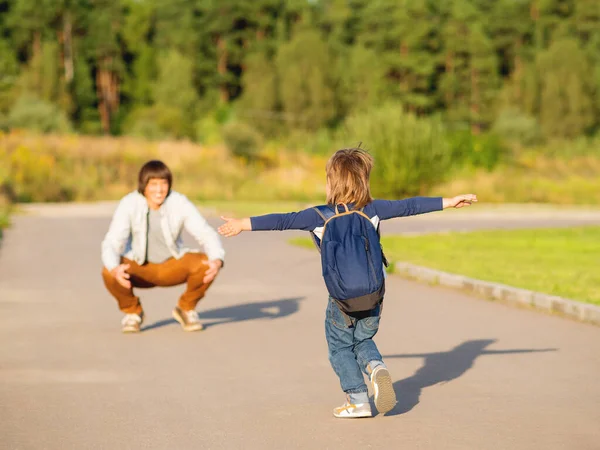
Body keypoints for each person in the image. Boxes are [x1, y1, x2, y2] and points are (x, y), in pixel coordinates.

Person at [218, 148, 477, 418]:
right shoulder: (373, 210)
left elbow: (282, 220)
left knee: (340, 345)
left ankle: (357, 399)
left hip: (341, 299)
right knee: (363, 338)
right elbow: (409, 206)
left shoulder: (319, 216)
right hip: (374, 291)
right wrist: (449, 201)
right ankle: (376, 367)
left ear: (332, 182)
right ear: (363, 181)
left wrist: (241, 224)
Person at [101, 160, 225, 333]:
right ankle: (133, 313)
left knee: (207, 263)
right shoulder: (129, 203)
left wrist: (217, 259)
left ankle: (186, 309)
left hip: (171, 266)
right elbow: (113, 241)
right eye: (153, 184)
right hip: (139, 267)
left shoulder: (179, 202)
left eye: (163, 183)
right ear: (144, 185)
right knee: (108, 270)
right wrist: (115, 268)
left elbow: (205, 233)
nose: (159, 190)